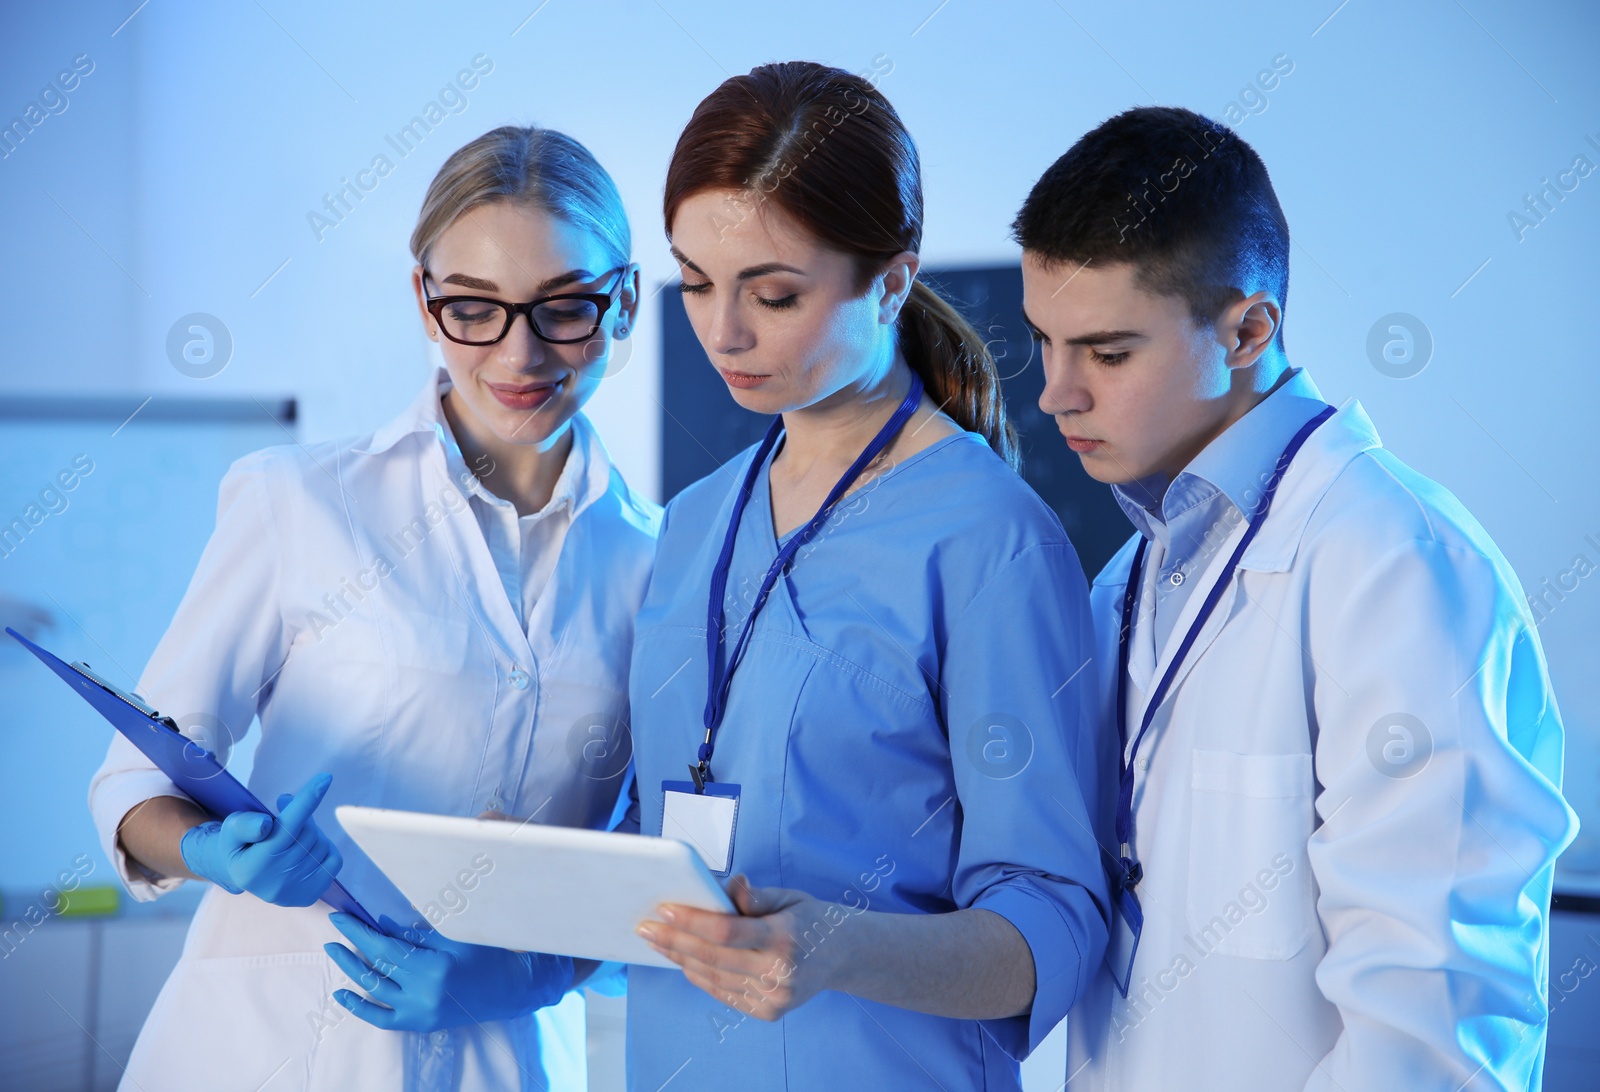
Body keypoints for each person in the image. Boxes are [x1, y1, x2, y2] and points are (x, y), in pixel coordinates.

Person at [1012, 105, 1579, 1090]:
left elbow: (1428, 1026)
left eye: (1105, 354)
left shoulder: (1393, 562)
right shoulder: (1130, 577)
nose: (1056, 393)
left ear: (1247, 329)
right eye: (1045, 345)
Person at [88, 125, 656, 1091]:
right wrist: (215, 854)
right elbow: (132, 781)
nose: (519, 352)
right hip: (264, 1047)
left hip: (506, 1058)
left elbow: (650, 870)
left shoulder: (662, 562)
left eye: (565, 308)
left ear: (626, 302)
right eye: (473, 308)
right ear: (425, 304)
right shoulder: (297, 500)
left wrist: (530, 978)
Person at [618, 61, 1109, 1090]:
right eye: (697, 282)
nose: (721, 332)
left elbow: (1054, 919)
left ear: (890, 280)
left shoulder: (989, 541)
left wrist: (842, 947)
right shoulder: (696, 523)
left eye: (775, 292)